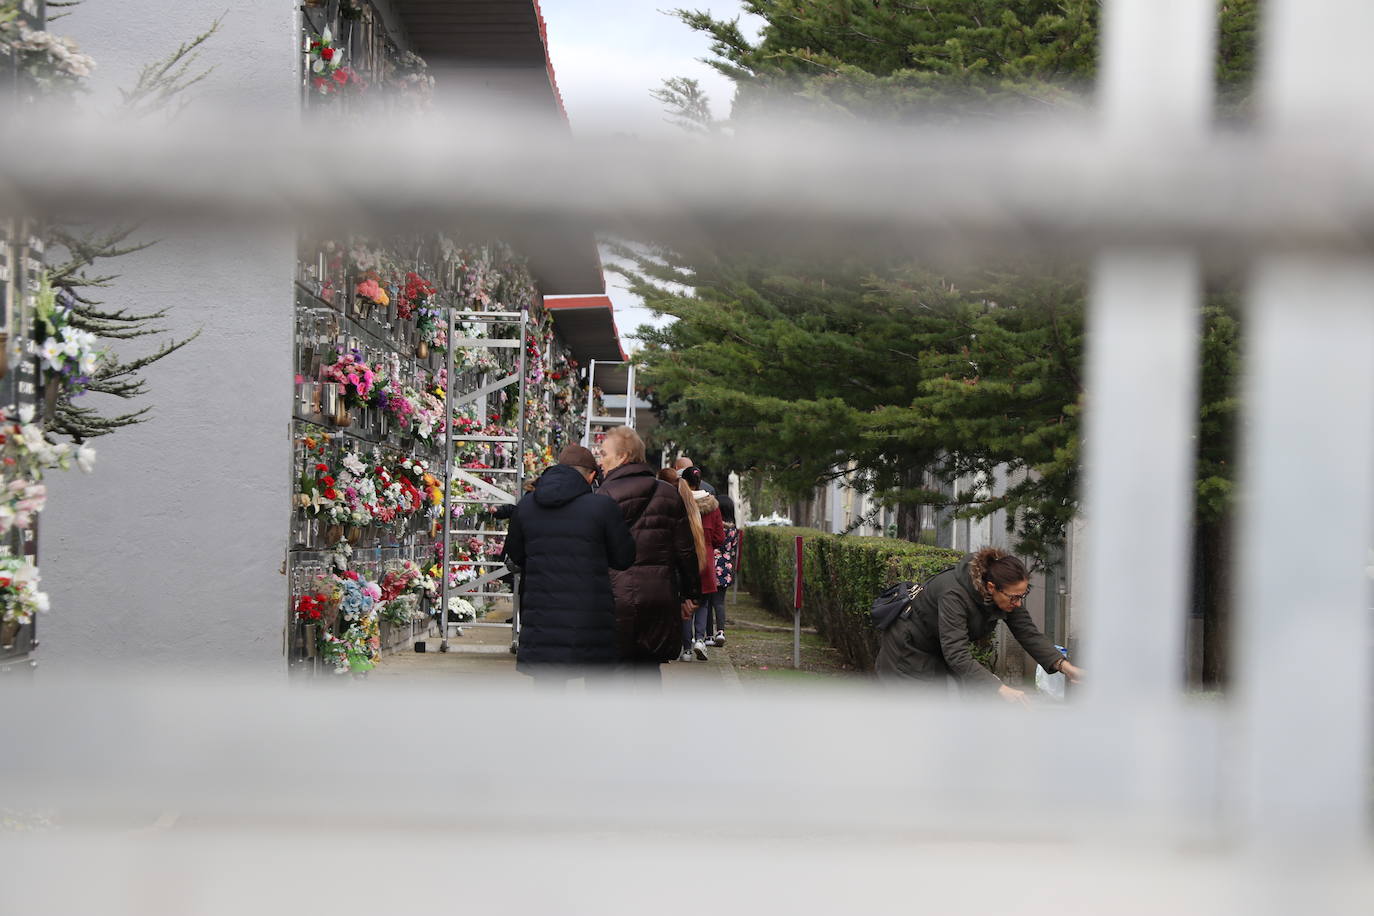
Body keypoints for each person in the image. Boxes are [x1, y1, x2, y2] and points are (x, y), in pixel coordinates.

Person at [874, 547, 1083, 704]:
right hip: (906, 655)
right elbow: (956, 653)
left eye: (1023, 595)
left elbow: (1027, 632)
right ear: (992, 587)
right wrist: (1000, 688)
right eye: (1014, 597)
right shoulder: (953, 595)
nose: (1018, 603)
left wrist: (1065, 666)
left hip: (936, 653)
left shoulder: (1005, 593)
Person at [504, 445, 636, 685]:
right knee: (597, 688)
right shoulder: (603, 508)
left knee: (548, 691)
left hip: (541, 613)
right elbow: (624, 558)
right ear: (592, 476)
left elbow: (515, 555)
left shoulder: (526, 506)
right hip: (591, 615)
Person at [596, 427, 699, 687]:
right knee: (648, 670)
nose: (600, 460)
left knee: (612, 674)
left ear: (623, 456)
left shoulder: (603, 496)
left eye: (604, 453)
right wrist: (691, 595)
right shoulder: (668, 494)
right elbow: (685, 551)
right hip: (658, 597)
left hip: (614, 597)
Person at [681, 465, 725, 661]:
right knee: (704, 602)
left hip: (684, 559)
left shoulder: (679, 502)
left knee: (684, 602)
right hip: (705, 558)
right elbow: (719, 537)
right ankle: (700, 639)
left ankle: (687, 649)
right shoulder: (712, 505)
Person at [705, 495, 740, 647]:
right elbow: (733, 550)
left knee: (706, 603)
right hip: (726, 568)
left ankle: (708, 635)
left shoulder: (716, 527)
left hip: (711, 566)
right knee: (719, 603)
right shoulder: (734, 530)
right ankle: (721, 632)